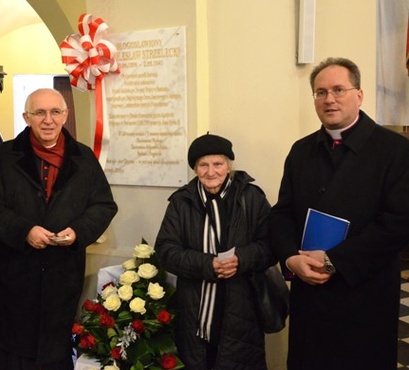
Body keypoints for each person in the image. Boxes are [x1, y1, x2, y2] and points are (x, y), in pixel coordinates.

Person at [269, 57, 409, 370]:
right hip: (310, 294)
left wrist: (334, 261)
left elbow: (399, 223)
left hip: (364, 295)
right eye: (320, 92)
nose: (329, 99)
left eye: (338, 89)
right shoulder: (301, 150)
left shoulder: (395, 150)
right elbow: (282, 214)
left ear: (359, 95)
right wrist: (291, 258)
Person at [0, 88, 118, 370]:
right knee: (13, 354)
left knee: (55, 353)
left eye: (55, 112)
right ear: (26, 117)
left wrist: (77, 231)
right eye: (39, 112)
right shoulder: (5, 156)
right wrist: (25, 230)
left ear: (65, 116)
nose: (48, 120)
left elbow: (103, 205)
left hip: (61, 274)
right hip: (14, 275)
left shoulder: (84, 158)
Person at [155, 133, 275, 370]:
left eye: (218, 164)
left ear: (229, 165)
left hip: (242, 309)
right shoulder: (181, 202)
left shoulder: (251, 198)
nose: (211, 172)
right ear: (195, 169)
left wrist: (241, 259)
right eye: (203, 165)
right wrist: (208, 264)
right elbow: (166, 250)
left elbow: (271, 245)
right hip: (195, 310)